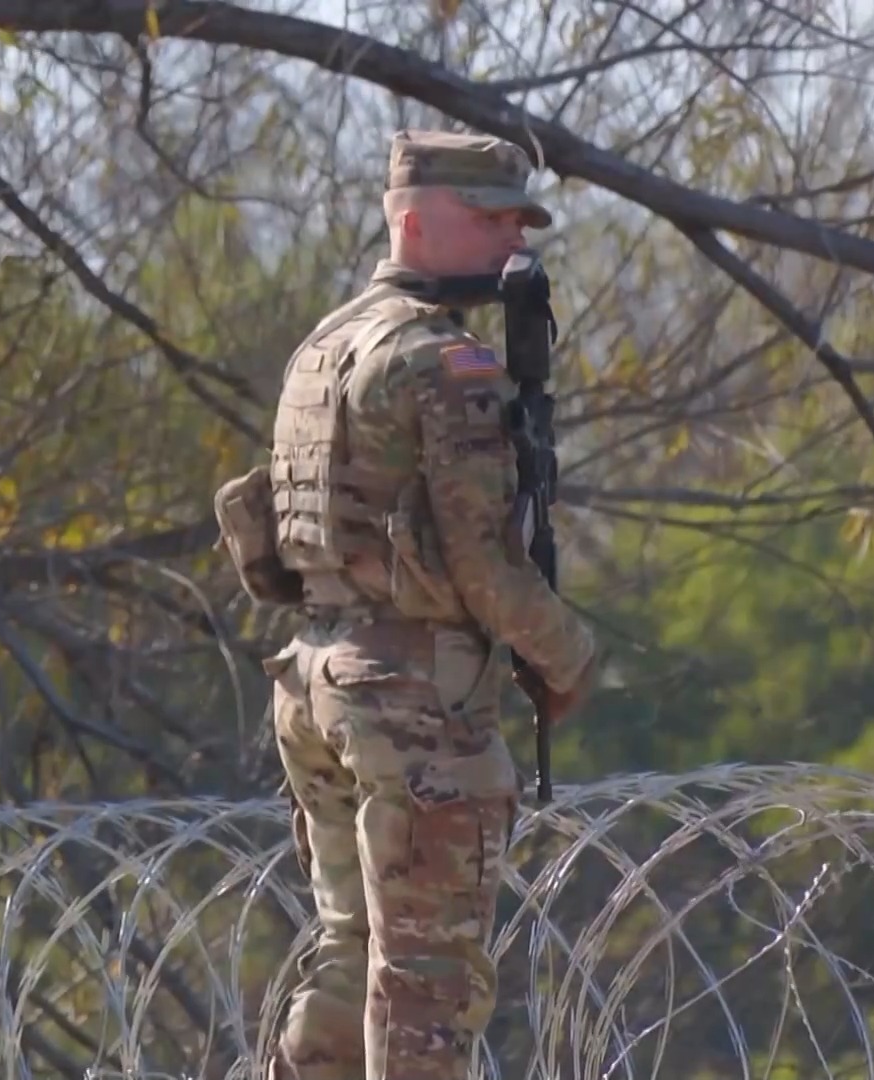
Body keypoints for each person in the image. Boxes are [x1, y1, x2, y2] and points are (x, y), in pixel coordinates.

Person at [210, 129, 598, 1079]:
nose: (514, 244)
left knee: (348, 957)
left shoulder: (324, 347)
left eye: (520, 221)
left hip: (314, 679)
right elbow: (486, 567)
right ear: (416, 221)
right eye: (492, 219)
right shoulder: (442, 364)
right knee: (429, 980)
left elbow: (271, 533)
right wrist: (569, 656)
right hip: (412, 702)